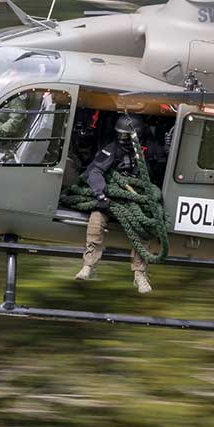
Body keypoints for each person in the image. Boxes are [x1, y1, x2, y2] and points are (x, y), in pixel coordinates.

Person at [74, 113, 153, 294]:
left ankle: (140, 274)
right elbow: (94, 172)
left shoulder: (151, 151)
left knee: (144, 224)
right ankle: (89, 265)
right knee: (96, 218)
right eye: (119, 135)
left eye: (125, 136)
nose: (121, 139)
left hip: (136, 198)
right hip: (113, 196)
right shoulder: (112, 149)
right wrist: (101, 195)